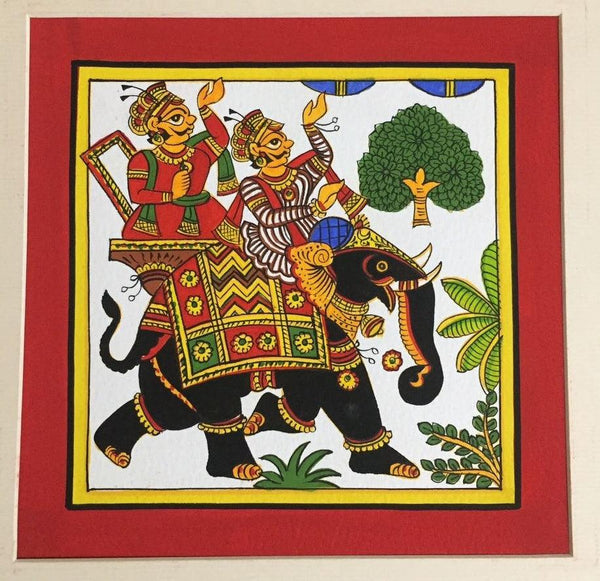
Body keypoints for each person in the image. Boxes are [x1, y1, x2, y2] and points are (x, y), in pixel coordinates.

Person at [215, 93, 367, 283]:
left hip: (313, 235)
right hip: (279, 246)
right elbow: (269, 218)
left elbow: (324, 157)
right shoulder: (251, 185)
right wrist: (314, 208)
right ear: (255, 150)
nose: (288, 144)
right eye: (275, 142)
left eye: (284, 139)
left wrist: (310, 127)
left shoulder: (299, 175)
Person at [123, 79, 238, 240]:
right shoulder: (143, 159)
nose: (191, 121)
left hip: (204, 218)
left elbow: (221, 138)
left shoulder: (199, 155)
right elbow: (137, 195)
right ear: (155, 124)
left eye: (187, 115)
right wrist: (171, 195)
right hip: (157, 223)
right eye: (177, 118)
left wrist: (203, 107)